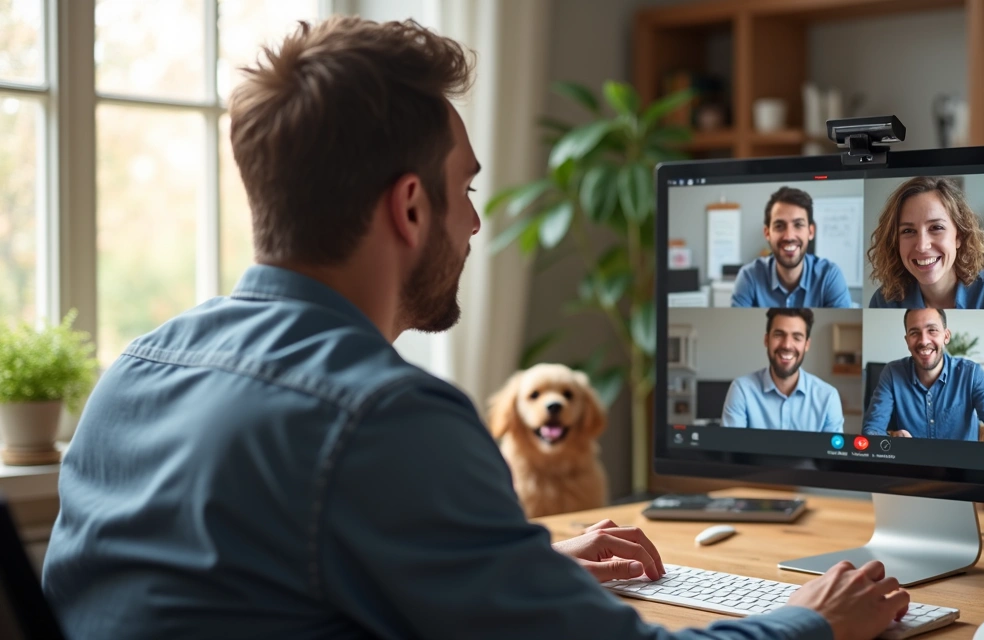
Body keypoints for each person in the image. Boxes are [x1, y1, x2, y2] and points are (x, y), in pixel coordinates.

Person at [41, 16, 911, 640]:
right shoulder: (383, 417)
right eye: (465, 190)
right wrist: (814, 623)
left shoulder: (136, 371)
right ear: (410, 207)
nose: (476, 223)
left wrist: (519, 565)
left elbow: (277, 580)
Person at [866, 176, 984, 310]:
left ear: (959, 236)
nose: (922, 245)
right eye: (908, 231)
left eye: (936, 227)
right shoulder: (884, 302)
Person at [862, 309, 984, 442]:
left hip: (962, 472)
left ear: (946, 336)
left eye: (932, 330)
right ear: (907, 340)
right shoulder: (892, 373)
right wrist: (891, 439)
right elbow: (872, 429)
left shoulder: (971, 374)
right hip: (911, 471)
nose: (923, 341)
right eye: (914, 333)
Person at [721, 308, 844, 432]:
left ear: (806, 345)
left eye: (797, 337)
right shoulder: (741, 390)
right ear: (766, 340)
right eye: (779, 335)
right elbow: (731, 448)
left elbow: (833, 451)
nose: (787, 345)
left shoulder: (828, 397)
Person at [731, 187, 853, 308]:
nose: (789, 236)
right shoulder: (748, 277)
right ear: (767, 233)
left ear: (811, 232)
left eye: (798, 225)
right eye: (779, 226)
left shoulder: (829, 276)